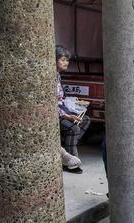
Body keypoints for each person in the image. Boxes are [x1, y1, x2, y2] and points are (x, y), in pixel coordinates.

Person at [56, 45, 90, 173]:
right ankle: (69, 162)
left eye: (67, 60)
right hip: (55, 113)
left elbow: (59, 98)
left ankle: (68, 149)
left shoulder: (58, 75)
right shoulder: (50, 78)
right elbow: (51, 103)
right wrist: (68, 116)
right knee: (74, 127)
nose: (66, 63)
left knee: (85, 120)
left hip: (61, 108)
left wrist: (74, 103)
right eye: (63, 59)